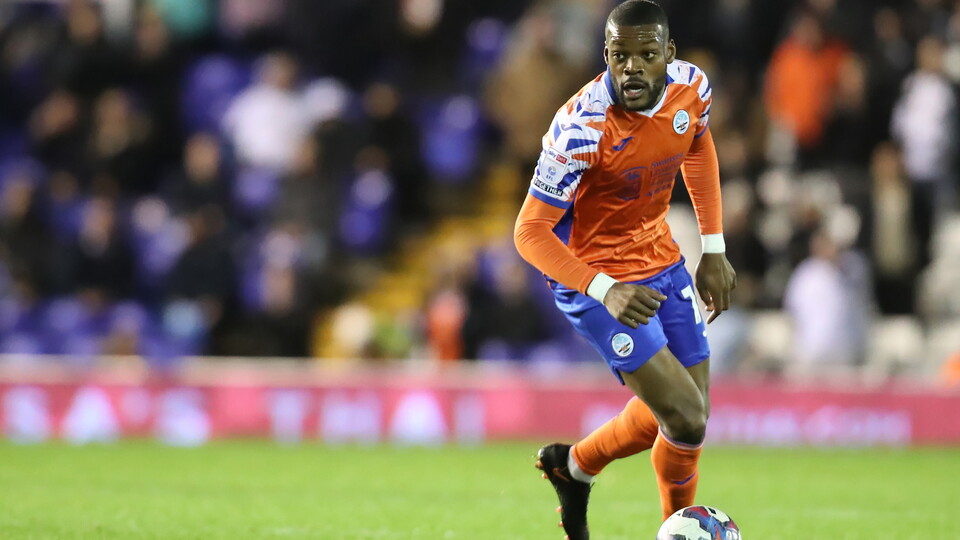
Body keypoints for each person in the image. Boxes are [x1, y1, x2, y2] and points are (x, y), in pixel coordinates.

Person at [512, 2, 736, 538]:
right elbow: (529, 231)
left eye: (646, 55)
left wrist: (713, 247)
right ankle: (676, 529)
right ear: (606, 56)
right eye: (619, 56)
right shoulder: (580, 126)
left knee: (688, 415)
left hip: (658, 256)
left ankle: (574, 467)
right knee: (685, 415)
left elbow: (697, 144)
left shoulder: (691, 89)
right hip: (593, 277)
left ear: (669, 56)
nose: (631, 67)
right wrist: (603, 288)